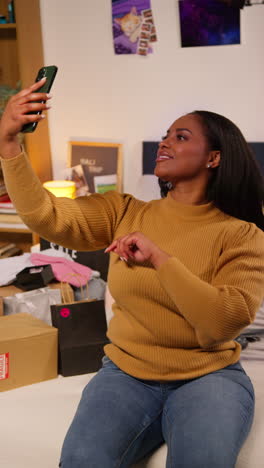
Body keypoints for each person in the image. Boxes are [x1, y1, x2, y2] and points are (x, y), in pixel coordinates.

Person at [0, 78, 263, 468]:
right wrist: (8, 143)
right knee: (81, 460)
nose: (165, 142)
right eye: (165, 135)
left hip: (209, 378)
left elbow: (222, 323)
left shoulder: (242, 234)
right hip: (125, 374)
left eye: (181, 136)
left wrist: (161, 259)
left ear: (214, 158)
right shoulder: (125, 211)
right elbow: (46, 215)